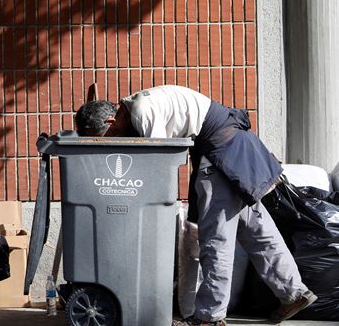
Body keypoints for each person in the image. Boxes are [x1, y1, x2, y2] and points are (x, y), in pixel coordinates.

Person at [74, 85, 316, 326]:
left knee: (216, 241)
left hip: (221, 157)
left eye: (108, 135)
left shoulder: (142, 112)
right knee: (257, 230)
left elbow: (158, 160)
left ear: (111, 119)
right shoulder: (137, 105)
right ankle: (294, 293)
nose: (112, 139)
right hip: (237, 149)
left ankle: (210, 317)